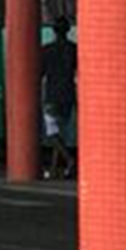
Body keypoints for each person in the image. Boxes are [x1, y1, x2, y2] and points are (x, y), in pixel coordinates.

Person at [40, 18, 77, 180]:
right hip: (68, 94)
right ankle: (54, 170)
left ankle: (69, 160)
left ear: (54, 31)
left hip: (52, 95)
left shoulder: (47, 50)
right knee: (60, 132)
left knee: (52, 134)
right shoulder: (73, 49)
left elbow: (40, 72)